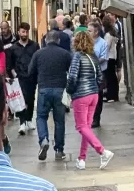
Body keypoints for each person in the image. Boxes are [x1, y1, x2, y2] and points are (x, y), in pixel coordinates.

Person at [67, 31, 113, 172]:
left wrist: (69, 90)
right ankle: (81, 159)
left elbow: (73, 77)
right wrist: (95, 88)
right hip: (94, 94)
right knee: (86, 128)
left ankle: (102, 151)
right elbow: (100, 77)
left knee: (81, 127)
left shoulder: (77, 57)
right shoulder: (93, 57)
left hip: (81, 95)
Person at [28, 31, 71, 162]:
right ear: (58, 40)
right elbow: (72, 71)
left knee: (41, 117)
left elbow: (30, 71)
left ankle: (44, 139)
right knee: (59, 120)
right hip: (60, 90)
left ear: (46, 40)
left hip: (43, 89)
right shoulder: (65, 54)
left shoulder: (38, 54)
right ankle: (59, 150)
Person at [8, 22, 40, 137]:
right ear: (19, 32)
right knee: (21, 99)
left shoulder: (35, 46)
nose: (24, 34)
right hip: (19, 77)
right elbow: (10, 64)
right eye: (23, 31)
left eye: (26, 32)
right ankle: (22, 122)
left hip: (31, 76)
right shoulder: (13, 48)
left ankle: (29, 119)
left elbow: (37, 60)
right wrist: (14, 74)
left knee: (30, 98)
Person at [88, 21, 108, 129]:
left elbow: (103, 57)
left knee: (98, 96)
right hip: (89, 73)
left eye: (90, 31)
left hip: (100, 72)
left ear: (96, 32)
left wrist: (92, 61)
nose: (88, 32)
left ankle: (96, 118)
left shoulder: (103, 43)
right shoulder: (87, 42)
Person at [102, 22, 119, 102]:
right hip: (112, 57)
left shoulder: (108, 35)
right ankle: (113, 95)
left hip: (109, 57)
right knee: (112, 77)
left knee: (110, 77)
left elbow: (107, 46)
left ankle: (111, 95)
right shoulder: (113, 34)